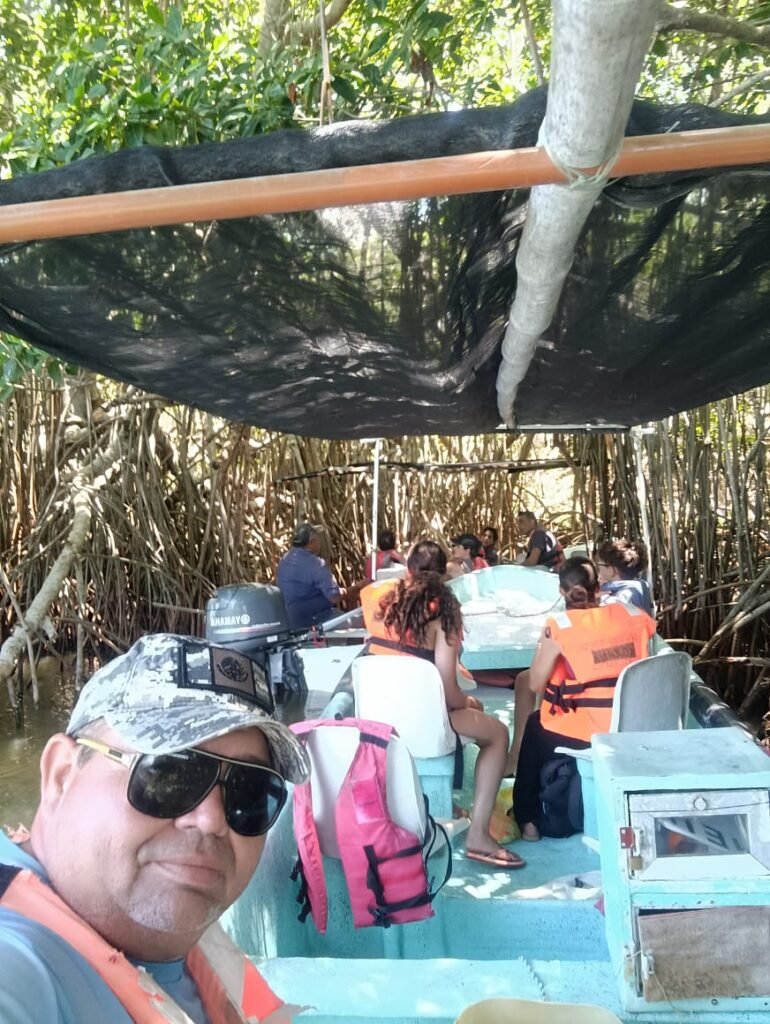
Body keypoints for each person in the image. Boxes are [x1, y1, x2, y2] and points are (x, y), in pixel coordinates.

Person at [0, 633, 310, 1024]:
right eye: (168, 773)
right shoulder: (18, 965)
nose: (212, 820)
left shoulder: (167, 942)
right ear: (61, 775)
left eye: (249, 792)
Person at [361, 540, 525, 870]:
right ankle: (479, 834)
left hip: (376, 723)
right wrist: (470, 702)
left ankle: (445, 805)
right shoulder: (444, 617)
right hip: (422, 722)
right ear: (444, 576)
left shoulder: (378, 602)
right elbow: (449, 693)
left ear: (406, 570)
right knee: (495, 734)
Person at [511, 558, 656, 840]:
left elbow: (535, 682)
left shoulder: (559, 626)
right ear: (599, 589)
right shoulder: (634, 615)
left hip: (582, 734)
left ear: (561, 591)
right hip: (630, 727)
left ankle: (527, 819)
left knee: (534, 726)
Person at [276, 521, 343, 629]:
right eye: (317, 540)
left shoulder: (284, 561)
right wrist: (349, 591)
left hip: (290, 621)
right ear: (312, 542)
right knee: (356, 623)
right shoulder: (316, 564)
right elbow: (334, 597)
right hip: (314, 620)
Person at [597, 538, 653, 616]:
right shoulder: (639, 588)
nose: (598, 569)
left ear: (611, 571)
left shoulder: (613, 601)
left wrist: (593, 601)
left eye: (599, 565)